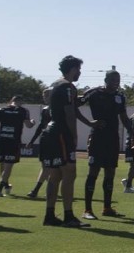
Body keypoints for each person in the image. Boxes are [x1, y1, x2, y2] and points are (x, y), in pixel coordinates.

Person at [39, 55, 98, 227]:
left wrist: (88, 123)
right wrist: (74, 136)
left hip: (51, 132)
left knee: (55, 175)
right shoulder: (67, 86)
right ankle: (68, 216)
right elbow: (69, 113)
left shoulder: (56, 84)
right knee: (69, 174)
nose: (80, 72)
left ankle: (49, 215)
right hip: (61, 133)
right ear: (72, 69)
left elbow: (71, 108)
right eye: (78, 69)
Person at [78, 70, 134, 219]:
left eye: (118, 79)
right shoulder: (94, 93)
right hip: (97, 138)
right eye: (113, 79)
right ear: (106, 79)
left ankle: (107, 208)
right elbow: (74, 105)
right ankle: (87, 210)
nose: (116, 82)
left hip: (112, 139)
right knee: (93, 172)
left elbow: (124, 118)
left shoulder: (120, 96)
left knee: (110, 172)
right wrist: (89, 122)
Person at [0, 95, 35, 197]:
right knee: (8, 165)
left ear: (11, 101)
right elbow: (28, 125)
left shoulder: (1, 110)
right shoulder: (23, 111)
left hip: (1, 140)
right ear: (20, 101)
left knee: (2, 164)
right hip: (13, 141)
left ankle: (6, 186)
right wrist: (33, 122)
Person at [26, 88, 52, 198]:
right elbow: (41, 126)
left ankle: (35, 190)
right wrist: (32, 141)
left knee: (47, 167)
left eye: (47, 95)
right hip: (44, 139)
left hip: (53, 139)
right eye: (43, 96)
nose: (44, 98)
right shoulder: (45, 110)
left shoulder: (58, 108)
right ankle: (51, 188)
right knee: (44, 166)